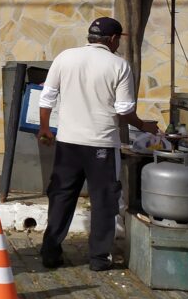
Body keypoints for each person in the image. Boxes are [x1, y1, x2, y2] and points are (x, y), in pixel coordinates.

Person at [36, 16, 160, 271]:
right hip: (101, 144)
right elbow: (124, 110)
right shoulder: (119, 65)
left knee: (61, 196)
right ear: (113, 39)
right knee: (104, 200)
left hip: (68, 143)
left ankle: (50, 252)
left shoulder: (65, 57)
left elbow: (47, 97)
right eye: (118, 40)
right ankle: (99, 258)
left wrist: (45, 128)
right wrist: (143, 126)